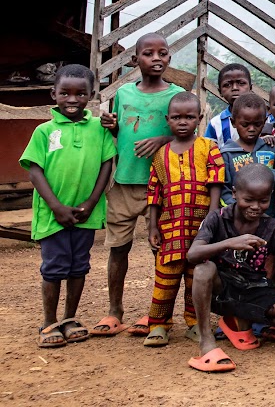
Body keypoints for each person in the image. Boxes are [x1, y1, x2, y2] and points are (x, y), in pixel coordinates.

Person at [94, 32, 184, 338]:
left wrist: (164, 139)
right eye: (149, 54)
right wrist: (113, 125)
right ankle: (114, 311)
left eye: (163, 53)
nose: (157, 58)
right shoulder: (124, 95)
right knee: (118, 248)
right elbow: (120, 132)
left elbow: (187, 133)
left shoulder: (177, 95)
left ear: (169, 58)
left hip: (163, 184)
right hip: (124, 183)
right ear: (136, 60)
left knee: (162, 250)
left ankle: (158, 314)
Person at [21, 64, 116, 348]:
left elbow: (106, 164)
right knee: (54, 267)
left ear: (91, 95)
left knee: (78, 267)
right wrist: (56, 207)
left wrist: (91, 201)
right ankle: (49, 322)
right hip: (53, 214)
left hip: (86, 214)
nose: (72, 99)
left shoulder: (99, 130)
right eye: (65, 93)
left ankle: (69, 318)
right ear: (53, 94)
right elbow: (34, 169)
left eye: (80, 94)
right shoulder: (44, 131)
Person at [187, 164, 275, 373]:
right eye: (249, 200)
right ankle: (206, 342)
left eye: (263, 201)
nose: (255, 207)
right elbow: (192, 255)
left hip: (255, 289)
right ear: (235, 193)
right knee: (204, 269)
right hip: (222, 288)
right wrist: (231, 242)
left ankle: (238, 320)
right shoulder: (217, 218)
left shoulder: (271, 227)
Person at [142, 92, 225, 346]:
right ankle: (158, 325)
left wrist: (212, 215)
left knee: (195, 277)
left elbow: (216, 180)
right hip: (169, 228)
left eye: (189, 117)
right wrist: (153, 225)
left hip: (200, 227)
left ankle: (194, 323)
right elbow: (154, 192)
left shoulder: (208, 147)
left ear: (199, 119)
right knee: (165, 278)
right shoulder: (160, 155)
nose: (182, 122)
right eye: (177, 117)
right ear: (168, 120)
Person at [215, 93, 275, 208]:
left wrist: (271, 175)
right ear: (233, 122)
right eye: (245, 125)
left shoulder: (271, 148)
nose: (252, 129)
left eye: (257, 124)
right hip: (238, 216)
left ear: (264, 122)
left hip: (269, 216)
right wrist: (237, 209)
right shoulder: (226, 154)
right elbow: (225, 190)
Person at [203, 63, 254, 144]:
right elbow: (208, 151)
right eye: (227, 85)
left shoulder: (265, 118)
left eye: (241, 83)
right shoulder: (216, 123)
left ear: (250, 88)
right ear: (220, 92)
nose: (235, 88)